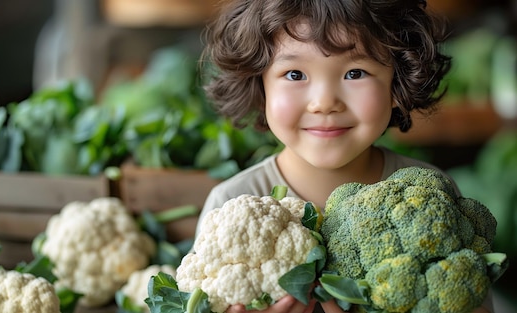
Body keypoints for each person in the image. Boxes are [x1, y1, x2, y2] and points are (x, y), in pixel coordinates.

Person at [196, 0, 495, 312]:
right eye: (295, 74)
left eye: (355, 73)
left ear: (397, 82)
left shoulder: (431, 194)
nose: (324, 103)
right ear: (259, 86)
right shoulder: (229, 204)